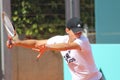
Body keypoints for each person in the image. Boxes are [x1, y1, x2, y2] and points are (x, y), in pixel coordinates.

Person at [6, 17, 102, 80]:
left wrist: (47, 47)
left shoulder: (83, 41)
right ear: (67, 30)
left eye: (80, 31)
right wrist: (16, 43)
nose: (78, 34)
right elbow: (37, 43)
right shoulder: (60, 39)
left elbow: (65, 47)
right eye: (75, 31)